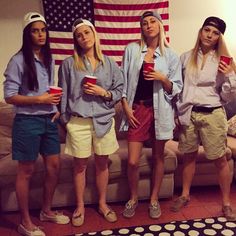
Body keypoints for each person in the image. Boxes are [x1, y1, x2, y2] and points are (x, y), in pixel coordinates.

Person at [3, 12, 70, 236]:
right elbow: (9, 96)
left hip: (48, 120)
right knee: (26, 171)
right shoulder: (18, 60)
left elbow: (49, 90)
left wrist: (55, 108)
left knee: (54, 166)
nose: (40, 34)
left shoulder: (49, 58)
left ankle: (46, 211)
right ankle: (25, 222)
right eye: (35, 30)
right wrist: (39, 100)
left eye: (43, 30)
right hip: (27, 122)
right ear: (27, 33)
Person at [58, 18, 123, 226]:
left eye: (87, 33)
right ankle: (80, 206)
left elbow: (120, 90)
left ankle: (103, 204)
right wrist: (66, 121)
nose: (83, 37)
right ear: (75, 40)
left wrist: (103, 92)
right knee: (79, 166)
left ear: (95, 35)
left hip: (103, 121)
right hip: (79, 122)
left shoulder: (109, 63)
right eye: (79, 35)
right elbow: (63, 94)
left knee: (103, 164)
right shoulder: (68, 64)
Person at [171, 16, 236, 221]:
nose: (210, 35)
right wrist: (176, 112)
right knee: (188, 156)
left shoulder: (224, 60)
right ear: (201, 31)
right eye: (207, 30)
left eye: (215, 32)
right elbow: (178, 88)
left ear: (220, 38)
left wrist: (230, 75)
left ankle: (226, 203)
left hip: (213, 113)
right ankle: (185, 195)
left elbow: (227, 96)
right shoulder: (185, 57)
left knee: (220, 159)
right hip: (189, 113)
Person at [119, 11, 183, 219]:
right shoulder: (132, 50)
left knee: (158, 157)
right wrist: (126, 106)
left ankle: (154, 199)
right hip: (137, 109)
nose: (148, 25)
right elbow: (122, 81)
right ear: (141, 28)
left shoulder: (170, 55)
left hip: (161, 110)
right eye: (144, 23)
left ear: (160, 25)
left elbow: (176, 88)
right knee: (132, 161)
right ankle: (134, 198)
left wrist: (162, 78)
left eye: (152, 21)